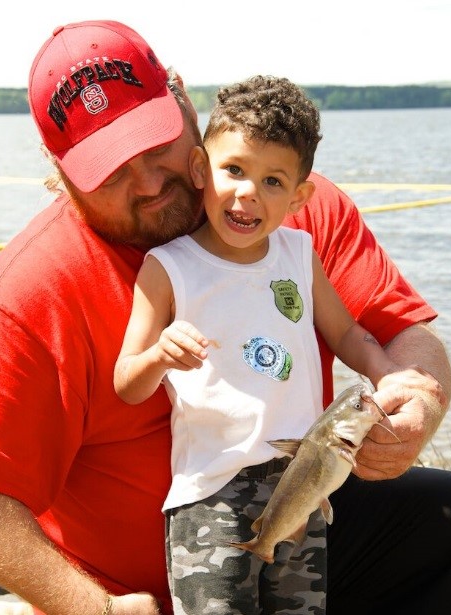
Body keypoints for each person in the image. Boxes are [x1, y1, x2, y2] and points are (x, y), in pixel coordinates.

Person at [0, 19, 451, 615]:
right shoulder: (26, 296)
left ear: (180, 96)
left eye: (155, 145)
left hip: (300, 516)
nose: (148, 183)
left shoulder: (290, 206)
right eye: (110, 170)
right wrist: (94, 609)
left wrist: (418, 395)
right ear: (58, 167)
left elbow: (398, 331)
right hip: (155, 586)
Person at [114, 75, 401, 614]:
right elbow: (126, 383)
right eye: (234, 170)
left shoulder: (298, 253)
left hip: (303, 479)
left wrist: (389, 374)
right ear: (200, 168)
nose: (248, 192)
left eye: (273, 181)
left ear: (299, 197)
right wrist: (158, 356)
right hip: (209, 493)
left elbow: (345, 333)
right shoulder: (167, 269)